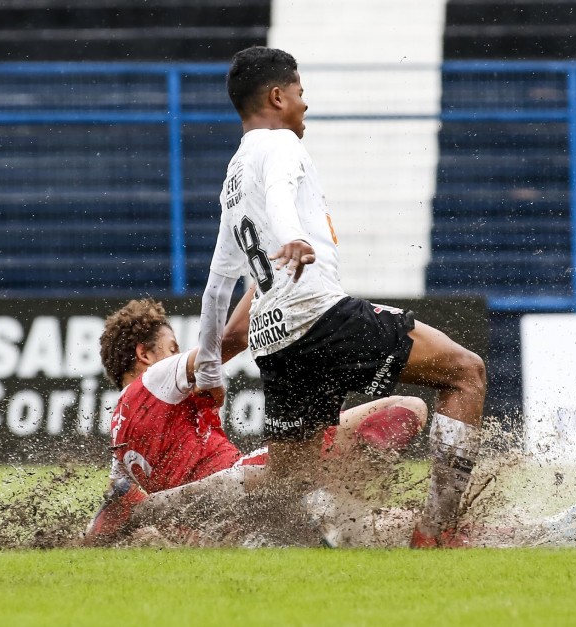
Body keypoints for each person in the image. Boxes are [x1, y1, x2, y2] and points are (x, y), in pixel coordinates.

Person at [194, 46, 487, 548]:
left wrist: (207, 369)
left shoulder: (233, 180)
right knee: (466, 372)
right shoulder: (281, 145)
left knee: (285, 489)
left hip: (275, 344)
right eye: (301, 93)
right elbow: (284, 195)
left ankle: (167, 517)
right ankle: (436, 533)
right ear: (277, 95)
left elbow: (219, 282)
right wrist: (293, 236)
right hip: (320, 317)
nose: (305, 105)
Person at [84, 293, 427, 544]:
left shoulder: (120, 442)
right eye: (172, 348)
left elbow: (107, 512)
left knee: (385, 528)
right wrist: (266, 277)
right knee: (405, 407)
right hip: (249, 484)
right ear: (144, 355)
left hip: (229, 527)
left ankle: (336, 512)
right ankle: (343, 502)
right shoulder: (157, 378)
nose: (177, 356)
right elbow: (224, 346)